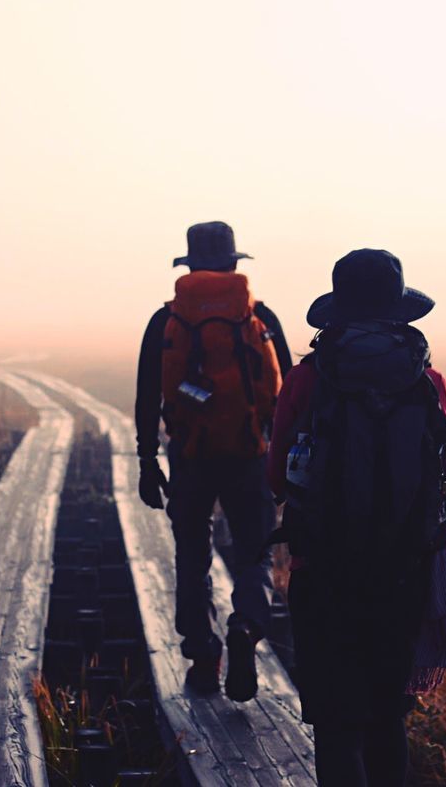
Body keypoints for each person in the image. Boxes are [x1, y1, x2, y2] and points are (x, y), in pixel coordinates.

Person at [267, 249, 446, 787]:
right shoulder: (430, 381)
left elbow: (276, 477)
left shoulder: (308, 378)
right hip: (405, 573)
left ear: (337, 311)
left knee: (336, 724)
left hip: (322, 571)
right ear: (399, 310)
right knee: (387, 719)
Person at [135, 221, 292, 700]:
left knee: (192, 554)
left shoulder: (166, 323)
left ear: (189, 264)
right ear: (232, 264)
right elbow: (287, 398)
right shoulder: (259, 318)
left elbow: (147, 397)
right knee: (256, 552)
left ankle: (204, 656)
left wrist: (147, 460)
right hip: (250, 455)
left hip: (190, 455)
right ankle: (245, 624)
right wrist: (285, 465)